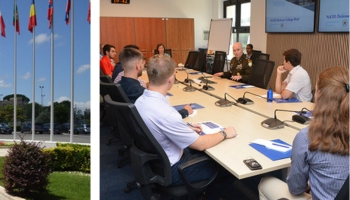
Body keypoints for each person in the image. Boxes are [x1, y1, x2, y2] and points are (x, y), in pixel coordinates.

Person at [135, 55, 238, 199]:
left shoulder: (140, 101)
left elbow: (158, 127)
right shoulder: (167, 113)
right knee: (230, 167)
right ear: (171, 79)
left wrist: (184, 130)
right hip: (174, 169)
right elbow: (201, 144)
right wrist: (225, 133)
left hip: (156, 163)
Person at [258, 66, 349, 199]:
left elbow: (295, 188)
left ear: (318, 95)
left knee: (265, 183)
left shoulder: (307, 137)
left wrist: (310, 182)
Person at [118, 48, 193, 118]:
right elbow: (164, 118)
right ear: (138, 65)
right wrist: (185, 111)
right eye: (142, 64)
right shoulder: (141, 94)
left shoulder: (118, 85)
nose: (143, 66)